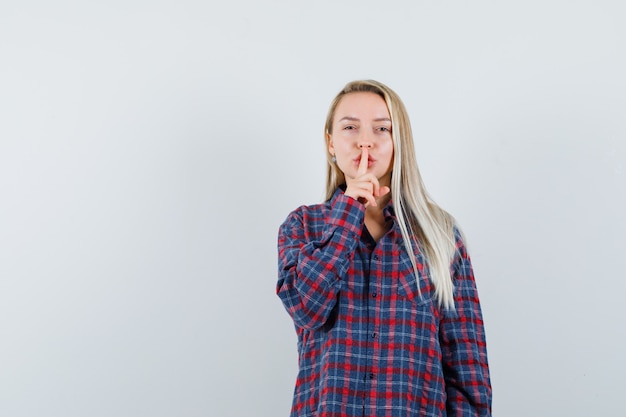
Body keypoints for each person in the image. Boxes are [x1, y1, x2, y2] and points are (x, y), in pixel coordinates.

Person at [276, 80, 491, 417]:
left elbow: (467, 369)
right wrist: (349, 211)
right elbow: (307, 307)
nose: (365, 140)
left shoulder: (440, 234)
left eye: (381, 129)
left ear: (397, 143)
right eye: (350, 127)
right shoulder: (302, 226)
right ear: (331, 143)